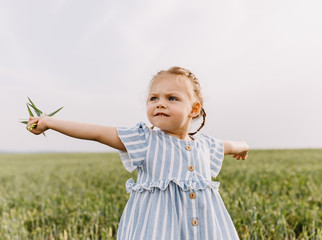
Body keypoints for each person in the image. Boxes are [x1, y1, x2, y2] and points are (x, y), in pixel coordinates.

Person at [26, 66, 249, 240]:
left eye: (171, 98)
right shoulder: (144, 140)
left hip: (206, 230)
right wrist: (50, 122)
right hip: (157, 231)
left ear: (194, 109)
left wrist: (243, 146)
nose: (160, 103)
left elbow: (231, 146)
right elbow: (95, 132)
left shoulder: (206, 145)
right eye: (154, 98)